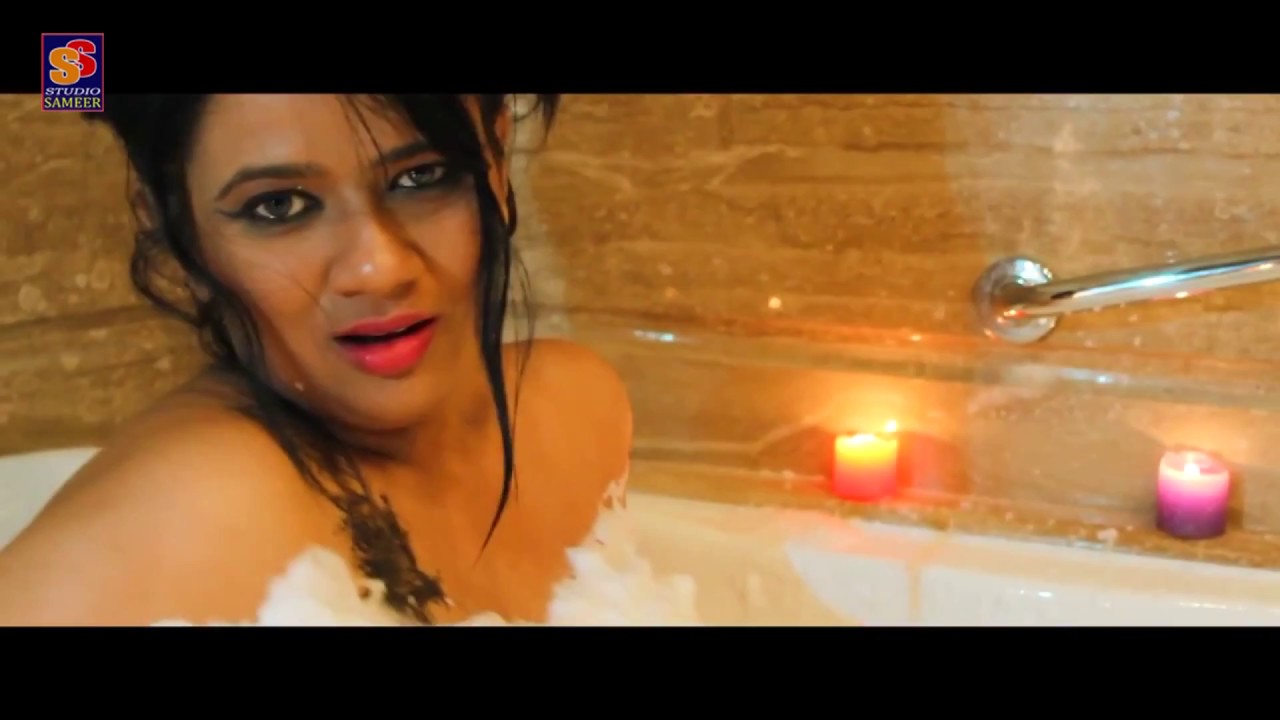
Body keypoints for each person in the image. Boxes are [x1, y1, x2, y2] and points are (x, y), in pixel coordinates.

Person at [0, 94, 633, 626]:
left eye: (423, 177)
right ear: (173, 227)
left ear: (496, 159)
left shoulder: (574, 413)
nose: (379, 268)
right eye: (278, 206)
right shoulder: (189, 515)